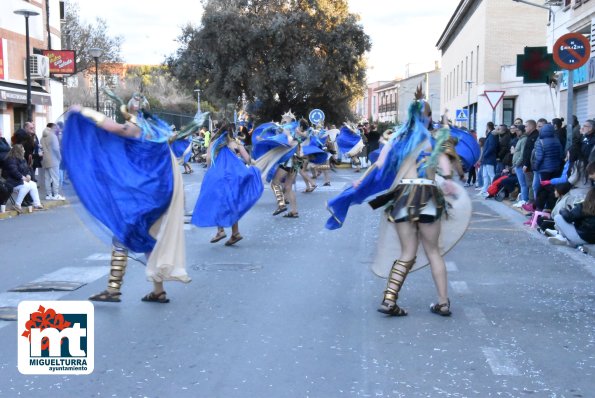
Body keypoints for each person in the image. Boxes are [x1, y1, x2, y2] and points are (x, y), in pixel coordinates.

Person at [326, 86, 469, 317]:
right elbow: (446, 170)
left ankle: (389, 300)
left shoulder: (396, 140)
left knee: (407, 253)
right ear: (428, 117)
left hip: (404, 197)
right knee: (433, 252)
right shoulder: (434, 140)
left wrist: (361, 182)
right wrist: (450, 179)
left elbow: (379, 165)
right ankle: (443, 303)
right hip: (429, 197)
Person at [62, 93, 191, 303]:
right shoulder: (158, 129)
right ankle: (158, 290)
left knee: (123, 234)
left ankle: (113, 289)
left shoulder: (136, 127)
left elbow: (114, 128)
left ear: (132, 110)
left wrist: (83, 111)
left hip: (146, 195)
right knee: (145, 236)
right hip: (160, 191)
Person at [192, 122, 263, 245]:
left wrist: (209, 173)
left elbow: (209, 160)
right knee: (232, 202)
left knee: (218, 202)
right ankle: (235, 233)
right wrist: (256, 164)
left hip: (218, 178)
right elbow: (247, 159)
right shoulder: (236, 143)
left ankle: (220, 230)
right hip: (234, 177)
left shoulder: (214, 143)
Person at [1, 144, 43, 213]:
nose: (24, 151)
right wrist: (23, 177)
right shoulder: (11, 159)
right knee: (26, 185)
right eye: (23, 150)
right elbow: (14, 171)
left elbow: (27, 169)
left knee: (33, 184)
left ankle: (37, 204)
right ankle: (17, 204)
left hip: (18, 180)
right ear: (18, 151)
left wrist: (28, 175)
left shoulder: (22, 159)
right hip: (11, 181)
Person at [40, 123, 64, 200]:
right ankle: (56, 194)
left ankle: (48, 195)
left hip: (45, 159)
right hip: (53, 160)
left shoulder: (42, 138)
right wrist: (60, 157)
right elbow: (56, 149)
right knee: (55, 178)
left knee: (47, 178)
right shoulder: (53, 137)